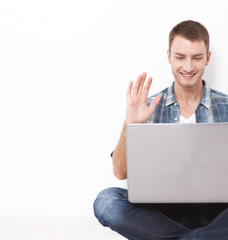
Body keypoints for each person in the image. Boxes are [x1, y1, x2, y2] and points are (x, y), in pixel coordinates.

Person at [93, 20, 228, 240]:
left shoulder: (226, 105)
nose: (188, 67)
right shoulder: (147, 106)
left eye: (197, 57)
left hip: (217, 211)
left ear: (208, 58)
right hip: (161, 213)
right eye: (180, 57)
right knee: (106, 201)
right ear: (168, 57)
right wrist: (131, 124)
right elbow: (119, 172)